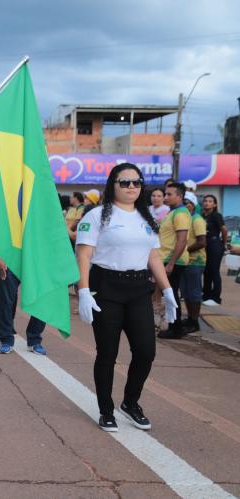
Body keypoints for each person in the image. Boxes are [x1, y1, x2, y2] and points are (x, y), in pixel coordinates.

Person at [76, 163, 176, 432]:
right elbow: (84, 254)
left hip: (138, 289)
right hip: (105, 287)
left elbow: (153, 256)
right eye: (125, 182)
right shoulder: (97, 216)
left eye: (136, 182)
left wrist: (167, 291)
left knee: (146, 352)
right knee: (107, 353)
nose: (132, 187)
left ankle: (130, 403)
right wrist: (83, 290)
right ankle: (105, 410)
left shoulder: (146, 218)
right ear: (113, 185)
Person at [0, 249, 47, 354]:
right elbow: (0, 232)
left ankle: (34, 339)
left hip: (39, 256)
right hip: (12, 255)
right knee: (6, 298)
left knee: (43, 298)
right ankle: (6, 340)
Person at [157, 183, 190, 339]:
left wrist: (171, 263)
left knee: (171, 294)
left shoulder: (181, 213)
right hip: (166, 259)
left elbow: (182, 240)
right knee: (170, 293)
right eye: (166, 194)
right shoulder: (173, 212)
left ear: (180, 196)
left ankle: (175, 328)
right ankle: (174, 326)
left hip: (173, 261)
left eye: (170, 194)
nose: (166, 197)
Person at [181, 192, 206, 333]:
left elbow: (202, 242)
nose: (185, 205)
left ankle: (195, 322)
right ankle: (190, 319)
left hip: (195, 262)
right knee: (186, 292)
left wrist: (184, 250)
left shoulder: (197, 220)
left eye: (188, 202)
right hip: (185, 261)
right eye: (183, 202)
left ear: (193, 204)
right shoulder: (185, 219)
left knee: (194, 292)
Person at [202, 194, 227, 306]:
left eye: (210, 201)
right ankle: (206, 295)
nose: (207, 203)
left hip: (215, 245)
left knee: (214, 271)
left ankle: (216, 298)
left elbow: (224, 229)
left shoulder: (216, 215)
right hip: (205, 246)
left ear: (215, 204)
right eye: (205, 201)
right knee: (206, 271)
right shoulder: (202, 216)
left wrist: (223, 243)